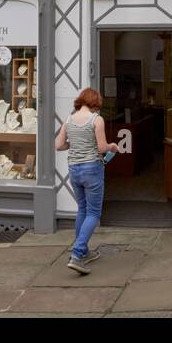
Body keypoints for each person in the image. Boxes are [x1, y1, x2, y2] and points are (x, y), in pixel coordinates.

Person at [54, 88, 119, 274]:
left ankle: (83, 252)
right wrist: (112, 146)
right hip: (92, 169)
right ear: (96, 102)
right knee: (93, 213)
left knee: (82, 209)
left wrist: (72, 144)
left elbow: (58, 145)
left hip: (74, 169)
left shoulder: (69, 119)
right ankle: (77, 253)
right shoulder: (96, 120)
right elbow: (101, 147)